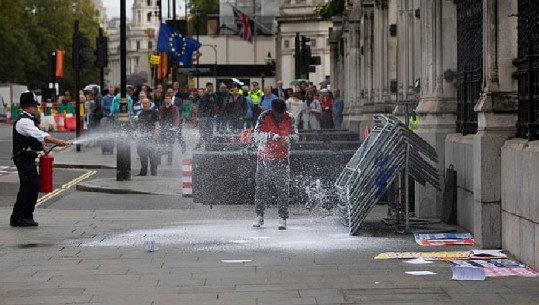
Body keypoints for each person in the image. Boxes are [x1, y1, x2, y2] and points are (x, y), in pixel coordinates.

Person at [10, 91, 67, 227]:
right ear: (27, 106)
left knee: (27, 186)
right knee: (31, 185)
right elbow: (40, 134)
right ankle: (24, 217)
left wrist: (42, 146)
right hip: (23, 158)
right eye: (34, 105)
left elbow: (33, 137)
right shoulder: (24, 121)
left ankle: (18, 217)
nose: (37, 108)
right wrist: (56, 141)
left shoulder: (29, 120)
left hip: (26, 157)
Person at [252, 98, 299, 230]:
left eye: (282, 113)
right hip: (264, 157)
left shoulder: (290, 118)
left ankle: (282, 217)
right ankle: (259, 216)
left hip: (282, 158)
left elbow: (296, 136)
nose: (280, 116)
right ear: (272, 110)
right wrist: (270, 136)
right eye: (278, 114)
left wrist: (288, 139)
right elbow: (256, 134)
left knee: (283, 189)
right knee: (261, 188)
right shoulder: (264, 116)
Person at [135, 98, 160, 176]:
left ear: (150, 104)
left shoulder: (154, 113)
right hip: (142, 138)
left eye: (146, 103)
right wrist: (138, 137)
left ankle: (153, 172)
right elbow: (139, 126)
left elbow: (157, 125)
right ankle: (143, 172)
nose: (144, 105)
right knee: (142, 155)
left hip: (151, 137)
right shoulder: (140, 114)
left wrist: (154, 137)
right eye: (143, 103)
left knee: (152, 156)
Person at [159, 94, 180, 165]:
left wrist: (175, 126)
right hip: (164, 128)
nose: (167, 100)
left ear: (171, 100)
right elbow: (161, 117)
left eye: (169, 99)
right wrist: (160, 126)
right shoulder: (162, 108)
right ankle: (160, 160)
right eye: (166, 99)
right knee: (162, 144)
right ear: (164, 100)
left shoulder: (174, 108)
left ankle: (169, 160)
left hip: (172, 129)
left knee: (170, 145)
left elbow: (177, 117)